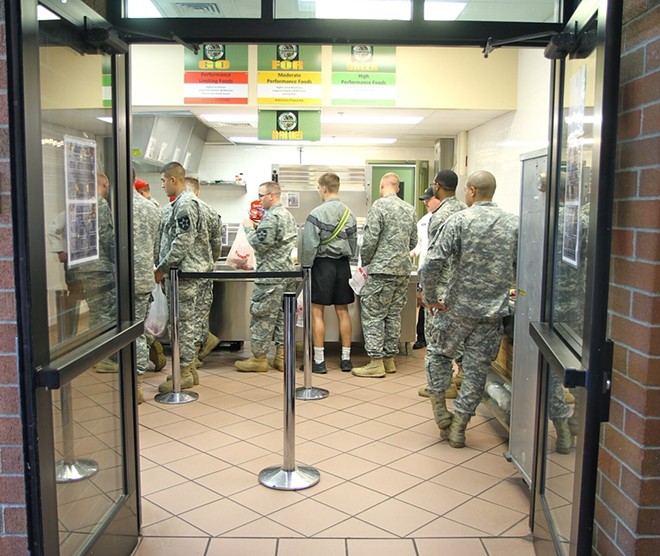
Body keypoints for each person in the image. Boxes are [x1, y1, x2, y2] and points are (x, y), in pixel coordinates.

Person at [419, 170, 518, 448]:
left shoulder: (459, 220)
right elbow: (524, 267)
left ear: (472, 190)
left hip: (455, 309)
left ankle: (441, 414)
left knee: (439, 355)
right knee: (476, 369)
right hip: (491, 314)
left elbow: (432, 262)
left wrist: (430, 297)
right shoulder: (514, 223)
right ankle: (460, 426)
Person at [352, 172, 417, 378]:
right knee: (393, 315)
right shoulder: (410, 209)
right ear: (397, 188)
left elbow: (370, 240)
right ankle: (390, 360)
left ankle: (376, 362)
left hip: (381, 271)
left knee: (373, 315)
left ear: (381, 187)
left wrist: (367, 262)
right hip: (402, 271)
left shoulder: (379, 206)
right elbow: (413, 242)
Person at [154, 162, 210, 393]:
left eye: (163, 181)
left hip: (183, 274)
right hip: (186, 272)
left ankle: (184, 373)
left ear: (173, 180)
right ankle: (189, 370)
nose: (163, 186)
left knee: (183, 325)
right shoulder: (187, 203)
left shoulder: (185, 204)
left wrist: (163, 267)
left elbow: (182, 241)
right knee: (186, 323)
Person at [235, 181, 298, 373]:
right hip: (286, 273)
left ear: (272, 195)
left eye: (261, 195)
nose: (259, 199)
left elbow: (261, 245)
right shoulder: (287, 215)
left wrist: (248, 228)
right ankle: (281, 357)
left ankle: (259, 358)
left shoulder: (272, 217)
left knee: (262, 316)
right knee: (282, 316)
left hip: (270, 274)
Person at [300, 172, 358, 373]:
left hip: (322, 265)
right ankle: (346, 359)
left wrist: (305, 267)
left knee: (317, 311)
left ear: (323, 188)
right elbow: (353, 245)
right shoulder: (349, 214)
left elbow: (309, 247)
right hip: (342, 265)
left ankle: (319, 361)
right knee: (343, 311)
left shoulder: (316, 214)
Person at [419, 170, 467, 403]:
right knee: (462, 336)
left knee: (437, 338)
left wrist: (427, 294)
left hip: (442, 289)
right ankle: (462, 376)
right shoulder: (466, 213)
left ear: (437, 186)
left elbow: (433, 259)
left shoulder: (439, 216)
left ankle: (442, 384)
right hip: (462, 287)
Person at [77, 173, 117, 372]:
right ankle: (103, 358)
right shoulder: (99, 204)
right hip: (100, 267)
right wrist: (117, 260)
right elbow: (107, 235)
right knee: (105, 312)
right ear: (104, 184)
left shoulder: (80, 204)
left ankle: (94, 356)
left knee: (95, 312)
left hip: (85, 267)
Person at [185, 176, 223, 369]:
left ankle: (188, 360)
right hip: (205, 271)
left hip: (183, 274)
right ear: (198, 191)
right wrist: (209, 261)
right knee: (200, 313)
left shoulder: (175, 210)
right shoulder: (210, 212)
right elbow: (217, 246)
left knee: (184, 317)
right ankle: (196, 355)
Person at [132, 170, 162, 403]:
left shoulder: (112, 206)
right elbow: (158, 249)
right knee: (138, 330)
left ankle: (132, 382)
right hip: (144, 278)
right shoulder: (152, 208)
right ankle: (137, 382)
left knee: (126, 333)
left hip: (119, 281)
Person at [410, 186, 442, 350]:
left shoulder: (447, 219)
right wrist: (413, 253)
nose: (426, 203)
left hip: (441, 275)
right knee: (423, 305)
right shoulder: (423, 221)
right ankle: (421, 337)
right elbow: (420, 244)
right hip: (425, 270)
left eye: (429, 200)